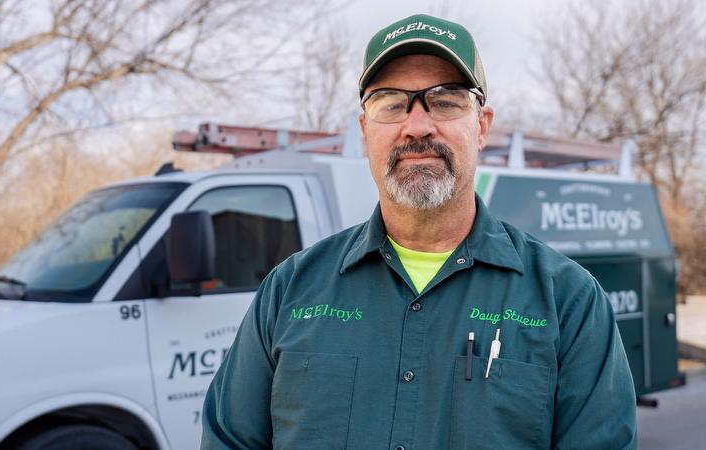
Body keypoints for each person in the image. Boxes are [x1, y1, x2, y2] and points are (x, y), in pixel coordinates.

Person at [201, 14, 637, 450]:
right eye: (391, 103)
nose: (417, 126)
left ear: (481, 126)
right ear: (365, 130)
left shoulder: (568, 301)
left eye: (446, 101)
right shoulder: (290, 290)